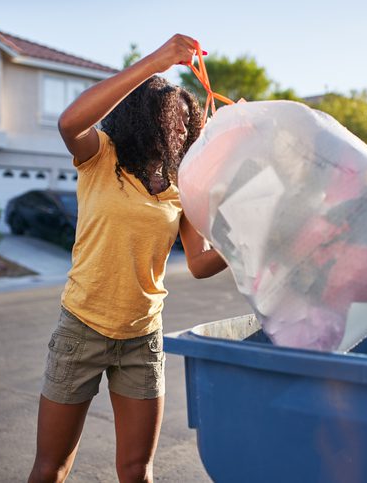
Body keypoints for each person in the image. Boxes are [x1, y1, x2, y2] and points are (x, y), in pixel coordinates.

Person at [28, 34, 228, 483]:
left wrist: (241, 240)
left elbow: (199, 263)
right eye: (171, 120)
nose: (181, 130)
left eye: (186, 123)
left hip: (144, 337)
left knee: (137, 469)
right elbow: (68, 123)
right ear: (144, 119)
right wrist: (158, 61)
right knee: (52, 466)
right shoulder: (100, 156)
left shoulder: (182, 188)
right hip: (83, 326)